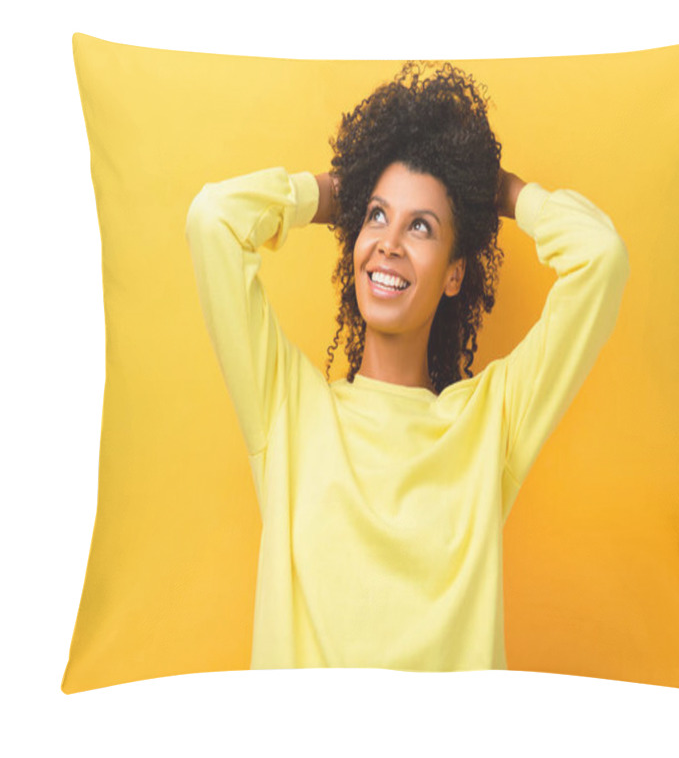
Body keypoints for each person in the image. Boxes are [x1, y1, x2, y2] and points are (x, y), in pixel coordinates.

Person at [184, 61, 630, 672]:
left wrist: (499, 192)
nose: (389, 242)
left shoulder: (489, 423)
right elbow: (214, 221)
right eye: (376, 216)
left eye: (420, 226)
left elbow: (600, 259)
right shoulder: (287, 407)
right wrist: (337, 190)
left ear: (454, 274)